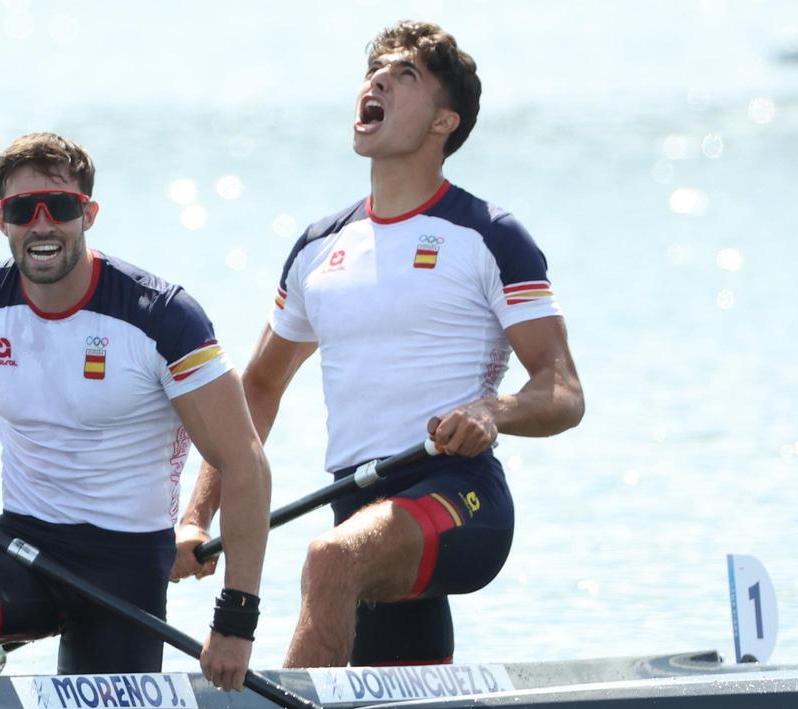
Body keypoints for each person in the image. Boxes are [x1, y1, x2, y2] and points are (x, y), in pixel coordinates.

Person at [173, 21, 584, 668]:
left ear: (444, 122)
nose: (378, 79)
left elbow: (563, 392)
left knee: (330, 559)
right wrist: (196, 517)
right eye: (376, 71)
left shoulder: (490, 236)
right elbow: (255, 393)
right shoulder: (317, 248)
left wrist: (491, 413)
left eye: (405, 75)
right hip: (358, 500)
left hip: (458, 492)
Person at [0, 133, 270, 691]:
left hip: (126, 565)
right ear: (2, 221)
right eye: (23, 210)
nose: (42, 225)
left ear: (88, 214)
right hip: (19, 542)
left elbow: (244, 463)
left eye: (60, 208)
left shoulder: (162, 317)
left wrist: (235, 621)